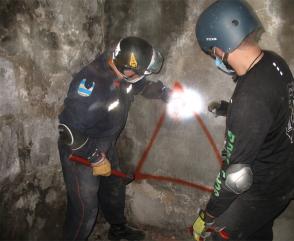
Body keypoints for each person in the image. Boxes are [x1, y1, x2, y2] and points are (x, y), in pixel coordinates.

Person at [192, 0, 294, 240]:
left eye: (212, 52)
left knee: (215, 236)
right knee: (258, 232)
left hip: (262, 190)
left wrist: (209, 216)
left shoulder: (249, 98)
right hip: (284, 176)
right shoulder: (273, 62)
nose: (215, 57)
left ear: (218, 47)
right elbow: (276, 108)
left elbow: (236, 178)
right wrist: (230, 109)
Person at [58, 36, 170, 241]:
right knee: (85, 210)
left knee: (113, 189)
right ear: (128, 70)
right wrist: (95, 156)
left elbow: (137, 86)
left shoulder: (122, 71)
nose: (141, 77)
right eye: (141, 72)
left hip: (106, 141)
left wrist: (162, 92)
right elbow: (68, 130)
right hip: (80, 150)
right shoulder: (93, 84)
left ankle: (118, 230)